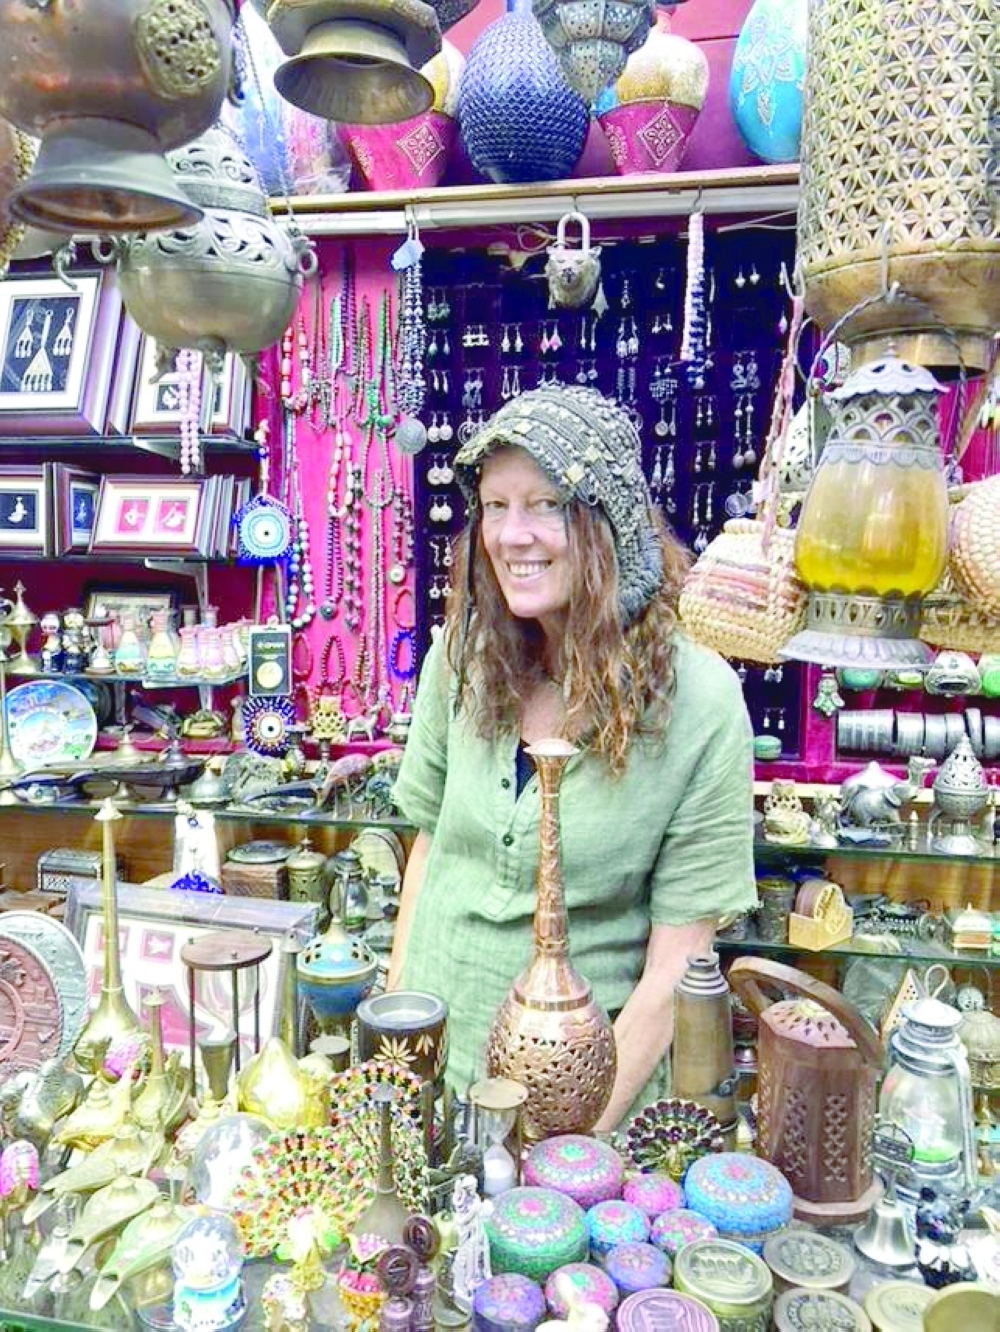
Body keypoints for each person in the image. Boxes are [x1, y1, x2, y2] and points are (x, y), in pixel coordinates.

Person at [389, 385, 756, 1130]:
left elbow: (676, 971)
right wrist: (400, 1046)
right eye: (494, 506)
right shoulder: (459, 660)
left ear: (607, 521)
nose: (512, 535)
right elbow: (426, 852)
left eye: (545, 503)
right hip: (437, 1067)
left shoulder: (701, 704)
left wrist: (578, 1143)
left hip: (582, 1098)